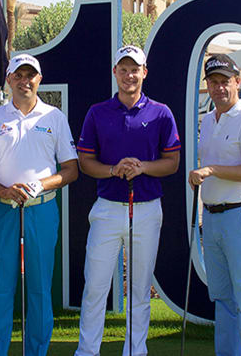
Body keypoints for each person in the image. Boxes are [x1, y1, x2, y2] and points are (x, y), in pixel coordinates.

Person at [74, 45, 181, 356]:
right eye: (123, 69)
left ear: (144, 73)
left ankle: (135, 352)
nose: (129, 75)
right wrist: (113, 170)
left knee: (139, 289)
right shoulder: (97, 112)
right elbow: (85, 162)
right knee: (95, 287)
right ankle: (87, 352)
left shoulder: (161, 113)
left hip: (147, 210)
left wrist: (142, 167)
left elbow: (171, 162)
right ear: (115, 73)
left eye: (135, 69)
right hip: (107, 209)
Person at [0, 53, 79, 356]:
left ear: (39, 79)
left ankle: (37, 351)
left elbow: (70, 169)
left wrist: (39, 185)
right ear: (9, 79)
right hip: (2, 210)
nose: (25, 81)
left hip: (42, 210)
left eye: (30, 75)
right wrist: (3, 190)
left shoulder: (54, 117)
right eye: (18, 76)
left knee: (38, 289)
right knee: (1, 289)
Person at [188, 53, 241, 356]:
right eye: (213, 82)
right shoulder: (209, 120)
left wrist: (210, 171)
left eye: (225, 81)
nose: (219, 88)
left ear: (238, 82)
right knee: (222, 298)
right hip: (211, 218)